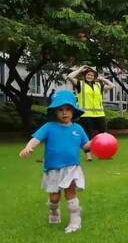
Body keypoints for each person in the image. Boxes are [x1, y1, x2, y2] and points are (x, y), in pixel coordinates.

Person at [19, 90, 90, 233]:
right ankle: (54, 212)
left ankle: (75, 221)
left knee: (71, 193)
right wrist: (28, 147)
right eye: (61, 109)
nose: (65, 113)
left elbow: (86, 146)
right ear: (55, 112)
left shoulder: (78, 129)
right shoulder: (49, 127)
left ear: (73, 111)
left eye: (68, 109)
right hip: (53, 168)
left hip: (72, 168)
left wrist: (98, 144)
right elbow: (36, 138)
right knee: (54, 198)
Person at [67, 65, 115, 161]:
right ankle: (88, 155)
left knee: (104, 135)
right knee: (87, 137)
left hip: (99, 114)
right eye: (88, 75)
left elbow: (112, 86)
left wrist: (102, 78)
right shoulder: (80, 84)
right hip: (86, 115)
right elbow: (70, 77)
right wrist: (80, 69)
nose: (90, 77)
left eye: (92, 75)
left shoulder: (98, 85)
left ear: (94, 77)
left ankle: (105, 154)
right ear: (85, 76)